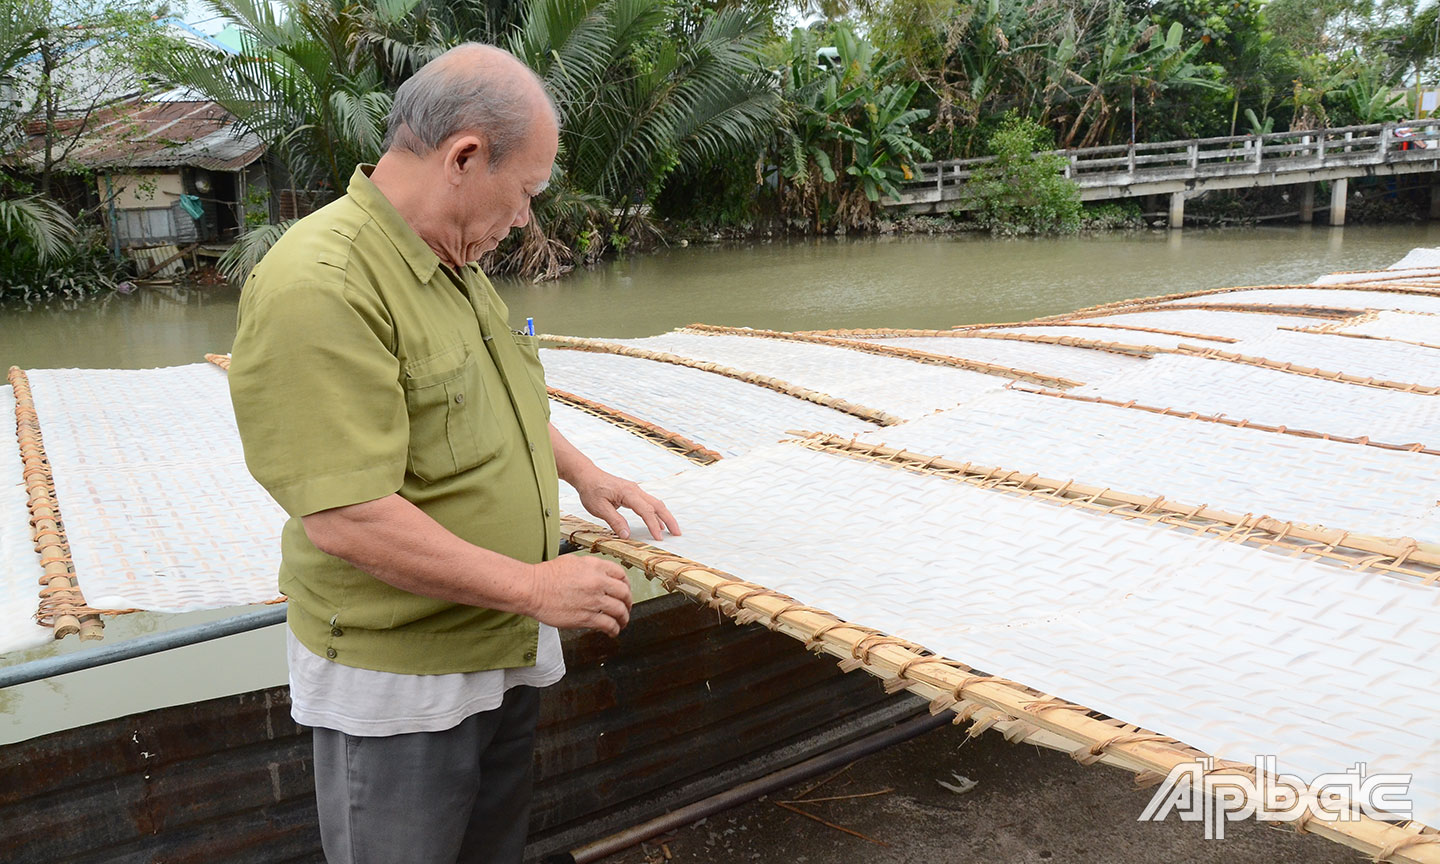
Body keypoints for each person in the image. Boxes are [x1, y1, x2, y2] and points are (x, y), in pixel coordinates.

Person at [227, 42, 681, 864]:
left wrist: (582, 473)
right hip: (406, 679)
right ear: (465, 156)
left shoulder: (452, 260)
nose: (525, 218)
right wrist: (536, 586)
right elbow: (348, 517)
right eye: (528, 191)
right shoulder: (321, 284)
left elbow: (492, 399)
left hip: (497, 642)